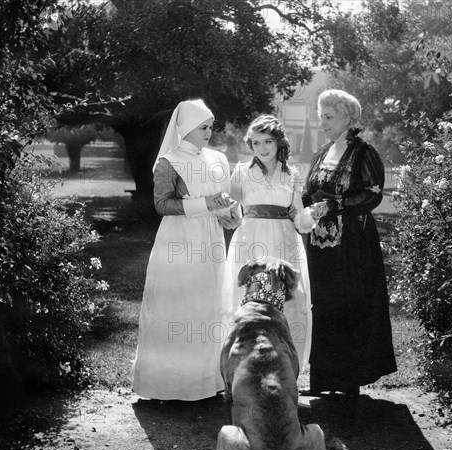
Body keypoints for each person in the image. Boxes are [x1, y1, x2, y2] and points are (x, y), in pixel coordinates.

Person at [131, 99, 240, 401]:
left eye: (210, 127)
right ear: (186, 129)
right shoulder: (169, 161)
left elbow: (225, 198)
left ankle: (206, 381)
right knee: (179, 305)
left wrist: (229, 213)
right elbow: (162, 204)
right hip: (178, 240)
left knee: (208, 305)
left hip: (210, 238)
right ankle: (168, 385)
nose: (208, 132)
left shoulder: (218, 159)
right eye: (203, 127)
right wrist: (205, 204)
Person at [302, 90, 397, 396]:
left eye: (328, 117)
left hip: (351, 246)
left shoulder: (363, 152)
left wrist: (335, 205)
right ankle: (323, 382)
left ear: (346, 118)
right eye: (321, 117)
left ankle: (348, 385)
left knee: (347, 306)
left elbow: (371, 193)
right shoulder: (322, 153)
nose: (322, 123)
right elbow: (308, 192)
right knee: (322, 306)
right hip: (319, 245)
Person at [222, 115, 316, 367]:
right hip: (250, 238)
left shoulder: (292, 173)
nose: (261, 148)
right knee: (249, 296)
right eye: (255, 143)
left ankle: (283, 361)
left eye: (267, 142)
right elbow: (231, 209)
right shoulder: (242, 171)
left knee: (286, 299)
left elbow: (298, 215)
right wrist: (223, 211)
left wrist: (311, 217)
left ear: (279, 143)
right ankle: (245, 359)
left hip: (285, 239)